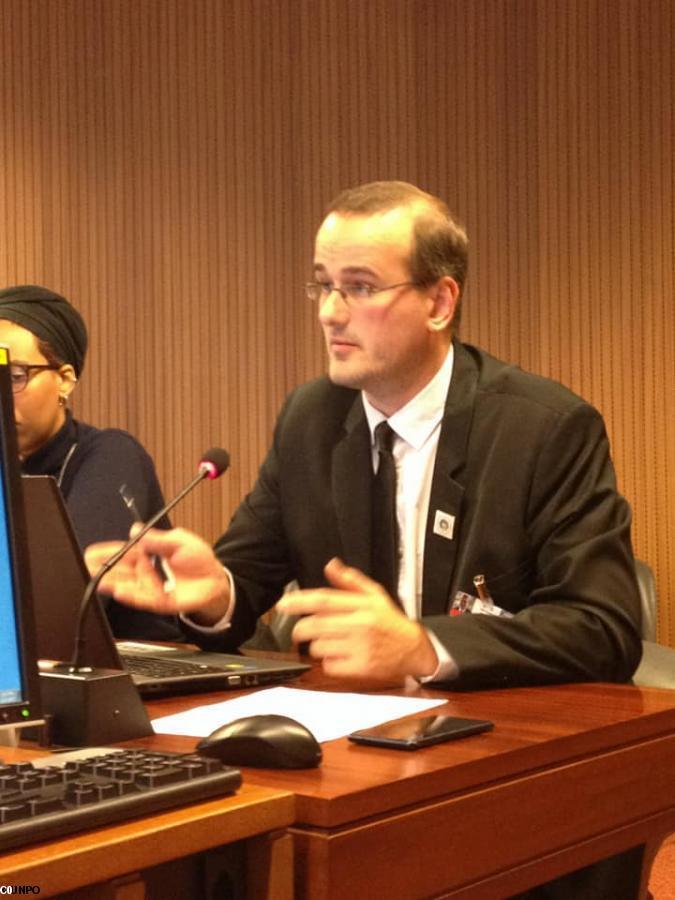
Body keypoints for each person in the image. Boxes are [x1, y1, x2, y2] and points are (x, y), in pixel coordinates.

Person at [86, 181, 646, 897]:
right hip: (358, 765)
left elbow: (601, 626)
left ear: (440, 302)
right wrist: (212, 593)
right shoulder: (312, 418)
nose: (328, 312)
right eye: (321, 285)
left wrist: (424, 647)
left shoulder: (543, 428)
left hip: (516, 777)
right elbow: (247, 572)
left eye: (357, 287)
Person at [0, 284, 182, 641]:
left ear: (65, 380)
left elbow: (62, 596)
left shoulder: (111, 455)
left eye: (14, 376)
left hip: (136, 677)